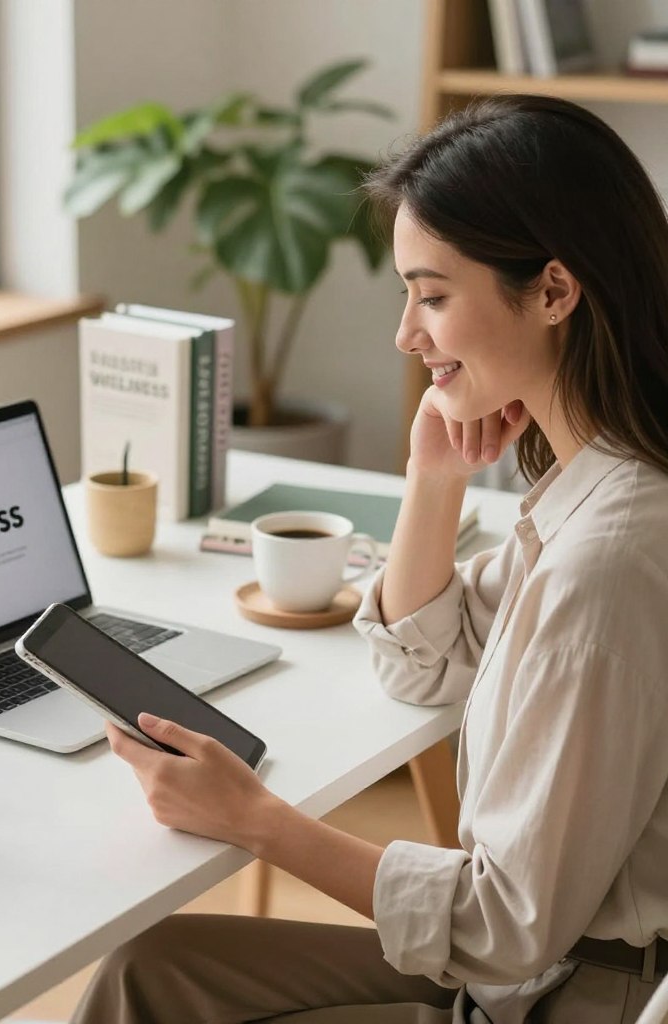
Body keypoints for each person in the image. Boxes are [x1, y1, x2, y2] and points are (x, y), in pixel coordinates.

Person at [69, 93, 668, 1024]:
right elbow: (423, 663)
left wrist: (253, 820)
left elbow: (507, 926)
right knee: (154, 967)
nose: (406, 334)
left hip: (575, 996)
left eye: (432, 296)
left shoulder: (609, 561)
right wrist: (433, 480)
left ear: (554, 291)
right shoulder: (602, 487)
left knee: (149, 986)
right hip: (545, 969)